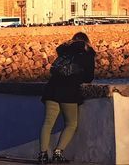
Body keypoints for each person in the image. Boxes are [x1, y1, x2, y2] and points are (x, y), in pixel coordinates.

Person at [38, 32, 96, 163]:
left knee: (47, 124)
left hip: (51, 89)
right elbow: (88, 77)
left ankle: (42, 154)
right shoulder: (87, 54)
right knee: (71, 123)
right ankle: (58, 152)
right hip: (69, 91)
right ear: (86, 42)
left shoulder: (64, 51)